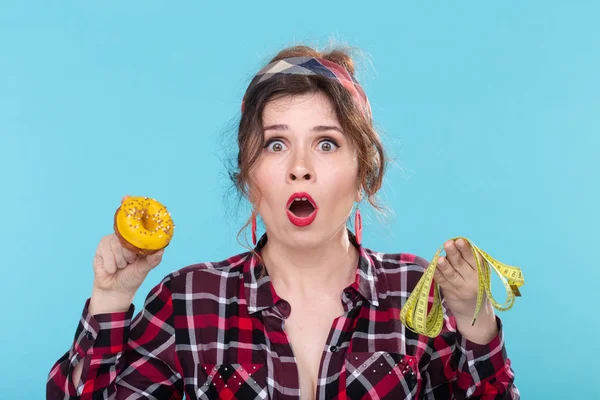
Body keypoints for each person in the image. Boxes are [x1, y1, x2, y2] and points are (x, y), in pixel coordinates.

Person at [47, 44, 519, 399]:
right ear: (249, 178)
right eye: (276, 144)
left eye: (327, 143)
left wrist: (477, 324)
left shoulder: (421, 295)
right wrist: (110, 301)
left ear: (364, 175)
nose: (299, 166)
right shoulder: (185, 303)